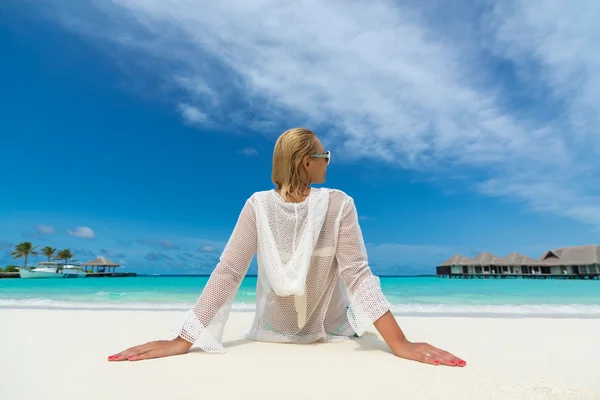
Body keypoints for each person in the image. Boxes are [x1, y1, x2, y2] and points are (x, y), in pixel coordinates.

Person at [108, 128, 466, 367]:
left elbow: (229, 272)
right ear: (306, 162)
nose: (327, 160)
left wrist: (181, 342)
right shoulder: (333, 203)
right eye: (324, 154)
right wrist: (182, 340)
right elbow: (358, 274)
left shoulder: (264, 205)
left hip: (270, 332)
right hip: (329, 334)